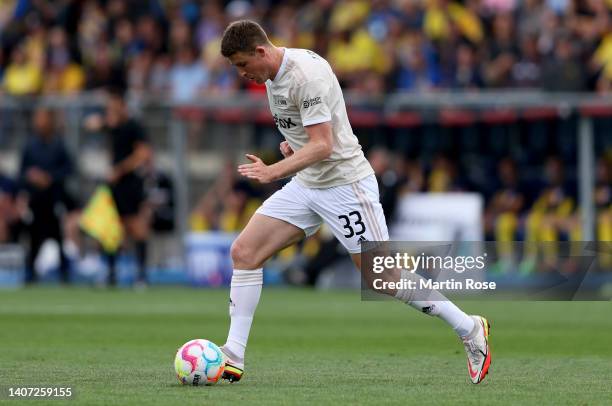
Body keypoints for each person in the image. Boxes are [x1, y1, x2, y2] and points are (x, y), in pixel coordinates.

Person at [218, 20, 492, 384]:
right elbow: (309, 137)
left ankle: (470, 328)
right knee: (245, 253)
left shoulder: (306, 75)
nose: (241, 74)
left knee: (383, 277)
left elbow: (324, 145)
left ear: (261, 51)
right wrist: (292, 145)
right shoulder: (272, 76)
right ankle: (233, 354)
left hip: (346, 186)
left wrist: (274, 170)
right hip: (309, 184)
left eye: (242, 64)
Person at [85, 88, 153, 287]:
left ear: (123, 106)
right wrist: (103, 122)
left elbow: (143, 154)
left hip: (130, 182)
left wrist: (120, 170)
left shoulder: (134, 126)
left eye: (114, 107)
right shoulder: (112, 126)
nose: (111, 111)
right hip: (114, 184)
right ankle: (111, 273)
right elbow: (90, 124)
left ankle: (141, 275)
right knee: (111, 227)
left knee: (136, 226)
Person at [19, 107, 74, 284]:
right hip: (36, 200)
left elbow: (69, 169)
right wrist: (31, 177)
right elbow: (21, 172)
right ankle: (30, 272)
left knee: (58, 237)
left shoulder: (58, 145)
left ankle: (64, 273)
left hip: (53, 199)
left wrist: (50, 178)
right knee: (33, 238)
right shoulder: (30, 146)